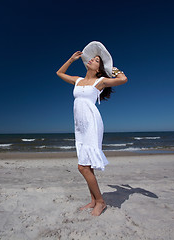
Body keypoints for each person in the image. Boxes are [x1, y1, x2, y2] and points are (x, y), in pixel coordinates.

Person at [56, 41, 128, 216]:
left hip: (92, 122)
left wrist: (113, 68)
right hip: (79, 125)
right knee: (87, 165)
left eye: (96, 60)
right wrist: (71, 59)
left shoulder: (100, 81)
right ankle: (94, 200)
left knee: (82, 167)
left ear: (98, 68)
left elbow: (123, 80)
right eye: (92, 59)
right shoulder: (78, 80)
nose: (91, 60)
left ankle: (101, 202)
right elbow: (59, 73)